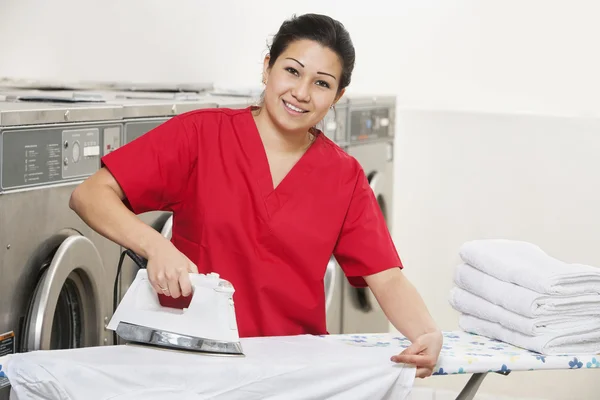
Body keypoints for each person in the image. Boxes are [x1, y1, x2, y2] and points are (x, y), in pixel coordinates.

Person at [69, 13, 443, 378]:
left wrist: (427, 333)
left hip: (291, 372)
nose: (301, 93)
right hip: (191, 364)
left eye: (322, 83)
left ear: (338, 96)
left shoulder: (343, 176)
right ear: (267, 68)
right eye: (292, 71)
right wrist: (156, 246)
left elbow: (388, 278)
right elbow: (91, 195)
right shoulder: (201, 136)